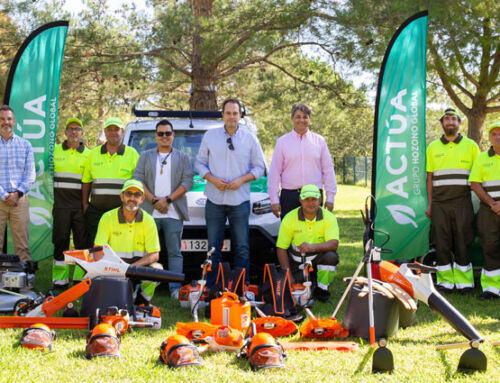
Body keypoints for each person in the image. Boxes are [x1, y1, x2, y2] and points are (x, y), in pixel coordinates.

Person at [195, 98, 266, 286]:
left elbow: (259, 168)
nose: (232, 116)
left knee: (242, 247)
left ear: (240, 115)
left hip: (239, 200)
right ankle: (212, 287)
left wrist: (241, 180)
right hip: (214, 200)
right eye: (228, 113)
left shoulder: (250, 138)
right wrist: (211, 179)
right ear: (223, 115)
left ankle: (241, 286)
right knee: (213, 248)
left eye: (235, 113)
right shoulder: (210, 136)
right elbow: (199, 163)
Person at [133, 119, 194, 299]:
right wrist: (153, 200)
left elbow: (187, 182)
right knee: (144, 251)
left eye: (168, 133)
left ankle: (175, 289)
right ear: (156, 136)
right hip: (149, 211)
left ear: (173, 135)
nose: (164, 136)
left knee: (174, 252)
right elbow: (137, 179)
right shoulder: (145, 156)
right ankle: (141, 286)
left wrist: (167, 200)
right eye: (161, 133)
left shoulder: (183, 157)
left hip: (173, 212)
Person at [426, 108, 479, 294]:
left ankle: (464, 283)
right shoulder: (432, 147)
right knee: (442, 242)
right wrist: (431, 204)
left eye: (454, 119)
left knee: (463, 241)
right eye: (446, 119)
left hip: (463, 202)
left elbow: (477, 177)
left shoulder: (471, 146)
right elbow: (429, 178)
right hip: (440, 203)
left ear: (459, 123)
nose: (450, 121)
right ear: (442, 123)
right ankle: (445, 283)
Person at [94, 179, 161, 304]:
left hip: (138, 267)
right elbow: (98, 250)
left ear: (142, 199)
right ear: (122, 196)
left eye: (137, 195)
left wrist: (130, 269)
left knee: (157, 270)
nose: (132, 198)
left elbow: (154, 255)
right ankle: (123, 294)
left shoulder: (149, 220)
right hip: (113, 267)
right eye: (129, 194)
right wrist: (112, 270)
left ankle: (142, 300)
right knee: (114, 302)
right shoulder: (107, 217)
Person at [267, 103, 337, 219]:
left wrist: (330, 197)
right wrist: (274, 199)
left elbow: (328, 170)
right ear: (292, 119)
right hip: (289, 196)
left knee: (314, 234)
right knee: (291, 235)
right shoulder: (282, 142)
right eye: (298, 116)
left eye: (305, 117)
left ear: (309, 119)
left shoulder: (320, 141)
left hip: (314, 196)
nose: (301, 120)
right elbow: (274, 172)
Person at [275, 184, 339, 302]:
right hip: (297, 261)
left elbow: (334, 244)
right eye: (306, 199)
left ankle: (322, 290)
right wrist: (288, 275)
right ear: (300, 200)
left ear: (320, 200)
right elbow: (281, 247)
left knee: (331, 257)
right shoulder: (289, 218)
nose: (311, 203)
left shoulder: (329, 217)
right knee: (290, 288)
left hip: (318, 257)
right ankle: (311, 281)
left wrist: (311, 247)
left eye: (314, 199)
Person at [81, 117, 139, 247]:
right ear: (105, 132)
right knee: (95, 245)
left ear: (122, 132)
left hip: (122, 210)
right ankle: (96, 268)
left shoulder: (132, 154)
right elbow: (86, 181)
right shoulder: (93, 154)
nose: (113, 133)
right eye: (109, 129)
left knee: (119, 245)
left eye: (116, 129)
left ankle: (117, 268)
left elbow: (138, 183)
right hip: (96, 211)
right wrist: (85, 204)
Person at [52, 117, 90, 289]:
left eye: (77, 129)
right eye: (70, 128)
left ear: (82, 133)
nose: (74, 132)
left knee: (82, 243)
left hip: (80, 206)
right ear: (65, 132)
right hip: (60, 206)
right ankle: (60, 281)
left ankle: (79, 280)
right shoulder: (54, 151)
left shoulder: (89, 154)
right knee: (60, 241)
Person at [0, 105, 36, 261]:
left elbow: (30, 174)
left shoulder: (25, 145)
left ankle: (25, 283)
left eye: (9, 119)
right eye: (2, 119)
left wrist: (17, 194)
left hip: (20, 201)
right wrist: (4, 195)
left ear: (14, 122)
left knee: (22, 246)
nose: (5, 122)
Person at [469, 121, 500, 300]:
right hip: (488, 210)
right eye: (494, 134)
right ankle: (491, 289)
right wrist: (492, 204)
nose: (498, 136)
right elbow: (475, 184)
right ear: (489, 137)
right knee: (489, 247)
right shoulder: (482, 158)